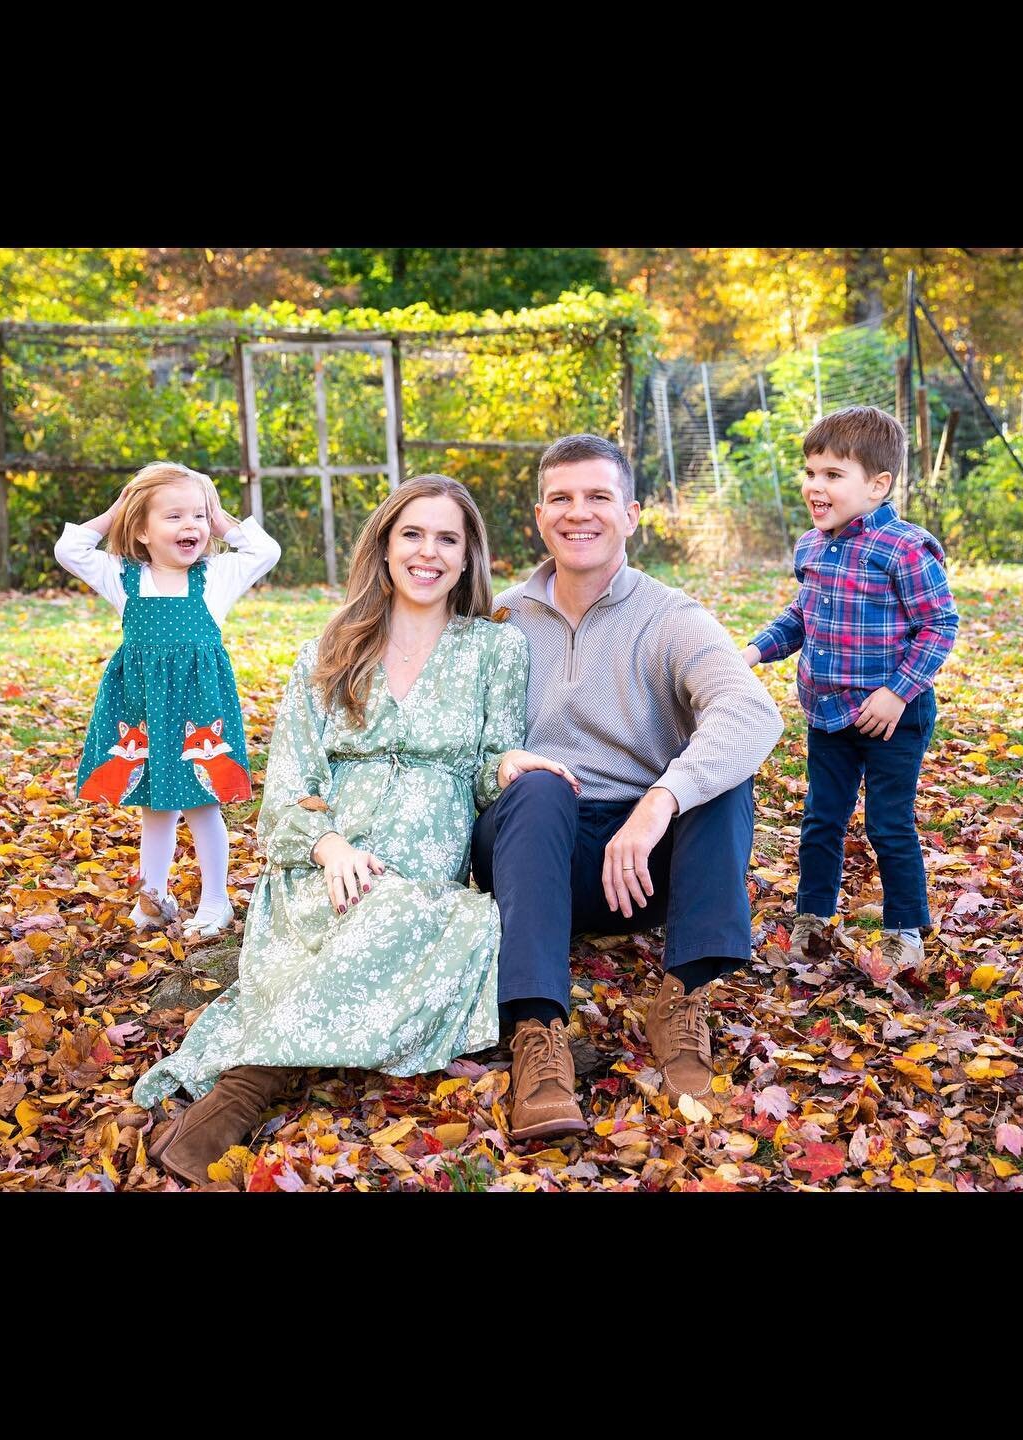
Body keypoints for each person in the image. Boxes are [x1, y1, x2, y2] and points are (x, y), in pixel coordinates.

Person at [134, 475, 576, 1186]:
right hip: (323, 871)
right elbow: (288, 788)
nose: (427, 552)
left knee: (468, 923)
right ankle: (242, 1092)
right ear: (384, 545)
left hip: (421, 885)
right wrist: (328, 844)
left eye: (447, 539)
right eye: (412, 534)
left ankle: (250, 1080)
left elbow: (483, 767)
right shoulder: (332, 648)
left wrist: (507, 766)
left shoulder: (494, 650)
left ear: (468, 558)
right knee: (377, 903)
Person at [471, 434, 785, 1140]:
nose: (578, 513)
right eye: (561, 498)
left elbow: (749, 712)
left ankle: (682, 998)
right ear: (539, 513)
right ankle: (538, 1037)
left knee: (721, 780)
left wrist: (659, 801)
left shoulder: (670, 616)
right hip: (533, 847)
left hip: (642, 868)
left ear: (632, 513)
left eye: (598, 497)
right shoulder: (501, 618)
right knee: (541, 785)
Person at [743, 405, 959, 978]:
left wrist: (898, 691)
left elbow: (940, 625)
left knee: (889, 822)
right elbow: (800, 618)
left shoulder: (905, 548)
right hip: (828, 712)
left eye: (834, 475)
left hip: (893, 716)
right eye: (811, 472)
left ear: (878, 485)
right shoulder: (812, 547)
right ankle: (813, 918)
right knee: (821, 818)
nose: (816, 486)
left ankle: (904, 929)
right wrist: (753, 651)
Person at [54, 461, 281, 940]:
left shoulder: (216, 576)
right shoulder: (125, 577)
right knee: (155, 805)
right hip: (142, 707)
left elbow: (265, 549)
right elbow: (69, 548)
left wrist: (218, 515)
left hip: (198, 712)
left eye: (197, 517)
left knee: (201, 803)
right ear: (140, 530)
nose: (191, 526)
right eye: (174, 516)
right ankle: (153, 896)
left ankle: (216, 901)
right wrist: (120, 509)